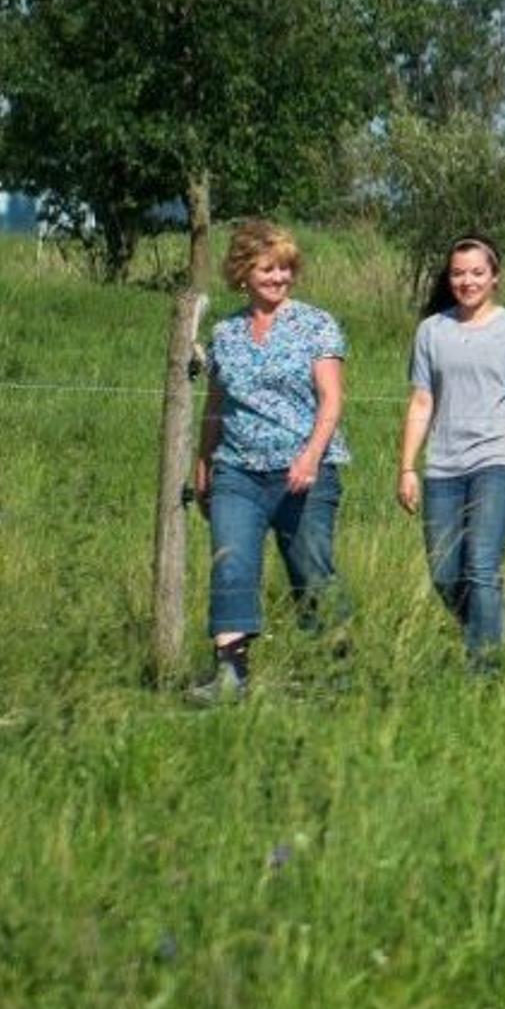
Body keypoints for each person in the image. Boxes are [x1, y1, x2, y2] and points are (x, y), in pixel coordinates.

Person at [187, 218, 346, 698]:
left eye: (285, 269)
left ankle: (331, 668)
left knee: (311, 571)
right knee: (231, 562)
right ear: (243, 273)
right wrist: (203, 463)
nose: (279, 278)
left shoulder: (316, 324)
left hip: (303, 471)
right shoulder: (226, 334)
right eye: (267, 269)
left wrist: (310, 457)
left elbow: (332, 399)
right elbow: (216, 406)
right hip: (238, 469)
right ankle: (230, 674)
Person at [400, 235, 505, 671]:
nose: (467, 281)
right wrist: (407, 466)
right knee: (446, 573)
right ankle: (491, 633)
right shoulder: (432, 330)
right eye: (459, 273)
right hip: (444, 464)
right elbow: (422, 401)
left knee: (481, 565)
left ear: (494, 277)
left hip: (499, 460)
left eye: (477, 272)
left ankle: (485, 669)